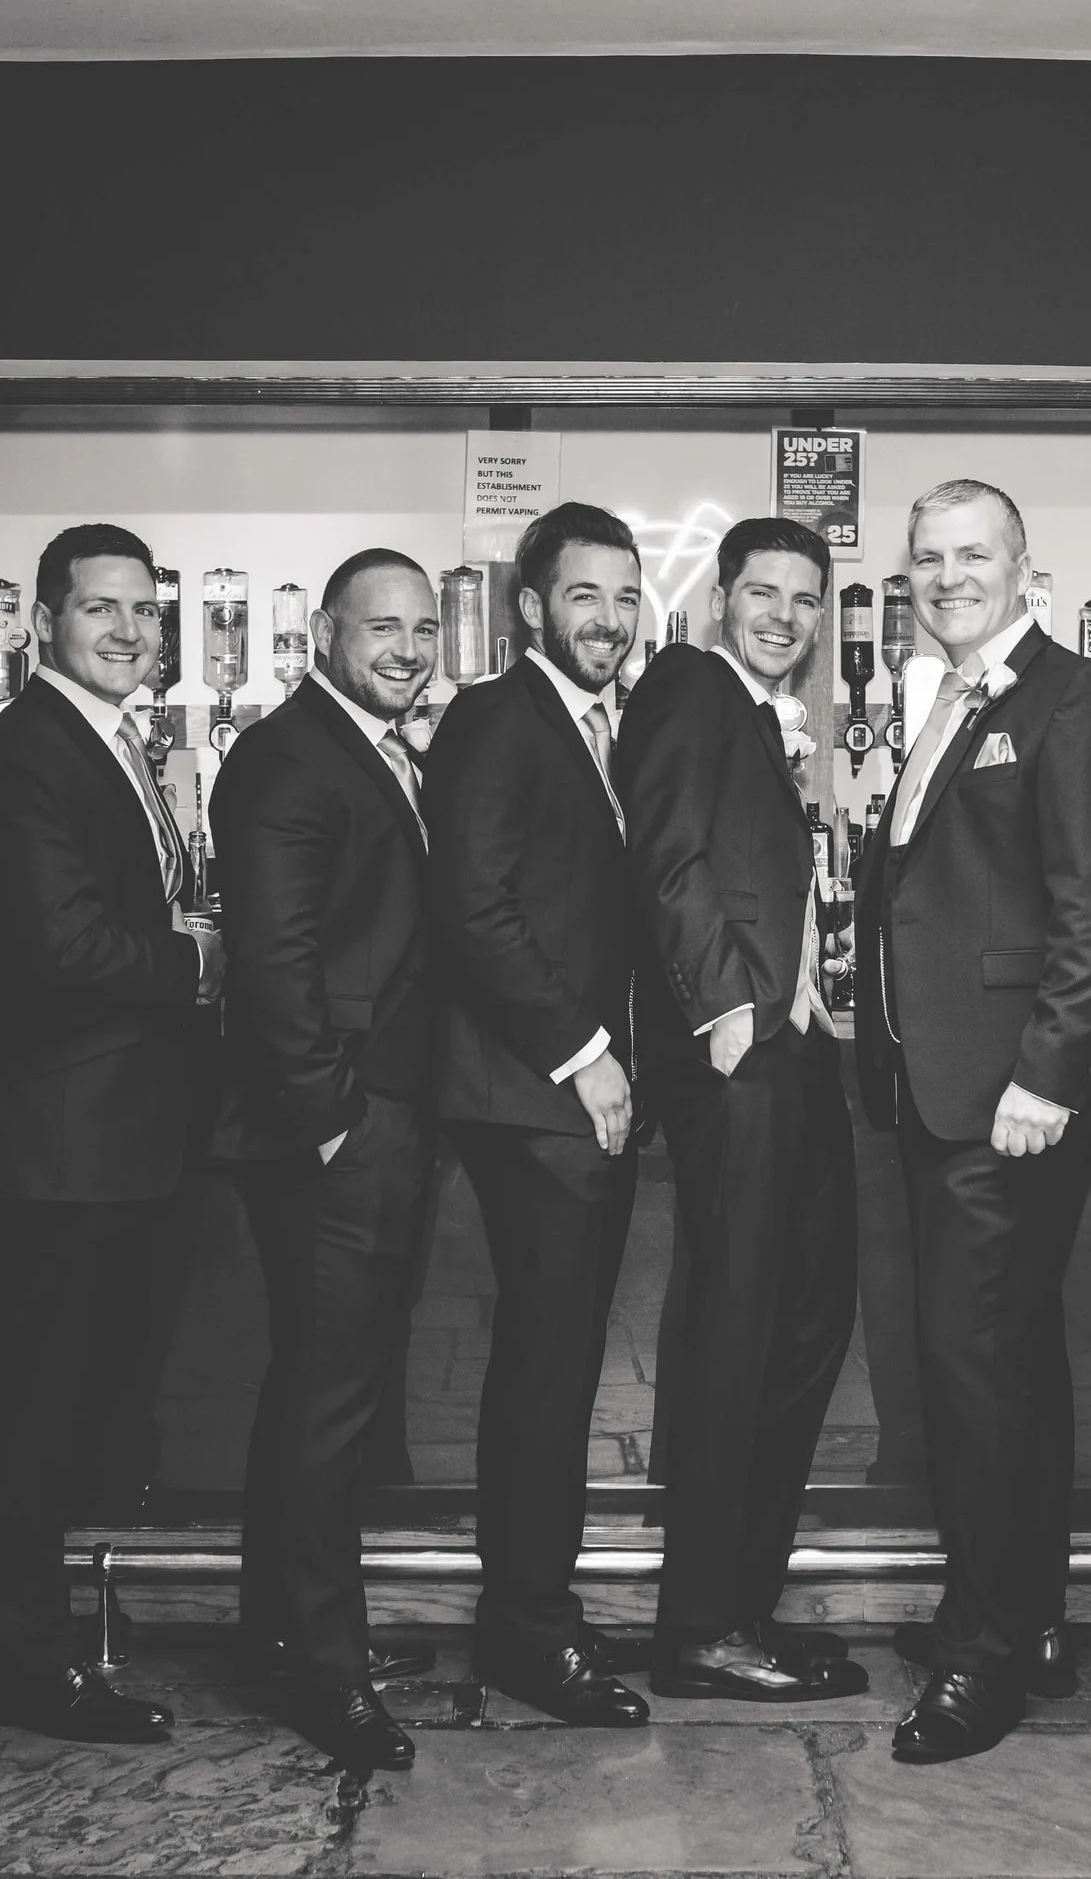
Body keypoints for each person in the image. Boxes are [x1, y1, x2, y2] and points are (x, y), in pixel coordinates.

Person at [852, 479, 1091, 1762]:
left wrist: (1048, 1074)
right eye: (927, 557)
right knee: (1004, 1361)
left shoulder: (1073, 697)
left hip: (1009, 1095)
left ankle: (983, 1656)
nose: (946, 574)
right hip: (945, 1087)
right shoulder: (946, 697)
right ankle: (1025, 1618)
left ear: (1028, 567)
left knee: (976, 1368)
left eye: (973, 554)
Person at [0, 523, 220, 1744]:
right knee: (38, 1406)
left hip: (113, 1135)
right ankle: (23, 1656)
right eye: (100, 609)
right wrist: (195, 959)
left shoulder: (109, 741)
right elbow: (57, 949)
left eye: (143, 611)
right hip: (59, 1140)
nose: (127, 630)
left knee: (64, 1400)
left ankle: (3, 1621)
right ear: (44, 621)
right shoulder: (29, 753)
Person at [615, 516, 866, 1703]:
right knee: (736, 1334)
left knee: (806, 1321)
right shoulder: (684, 683)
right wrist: (726, 1011)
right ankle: (699, 1626)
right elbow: (664, 856)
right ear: (719, 600)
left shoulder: (767, 720)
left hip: (794, 1050)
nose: (783, 614)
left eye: (805, 598)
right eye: (760, 592)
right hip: (740, 1055)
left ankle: (744, 1605)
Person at [210, 548, 447, 1770]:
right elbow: (272, 956)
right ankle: (327, 1670)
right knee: (331, 1404)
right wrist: (332, 1120)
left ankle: (279, 1633)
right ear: (323, 634)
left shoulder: (380, 747)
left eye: (420, 627)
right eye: (379, 627)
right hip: (333, 1132)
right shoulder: (290, 754)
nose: (405, 648)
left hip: (373, 1115)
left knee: (314, 1388)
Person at [425, 501, 649, 1727]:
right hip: (532, 1094)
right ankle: (526, 1632)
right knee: (546, 1372)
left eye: (624, 596)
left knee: (551, 1368)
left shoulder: (594, 723)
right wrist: (583, 1054)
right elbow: (474, 909)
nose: (608, 619)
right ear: (529, 608)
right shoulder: (495, 716)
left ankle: (531, 1611)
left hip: (563, 1089)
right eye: (583, 596)